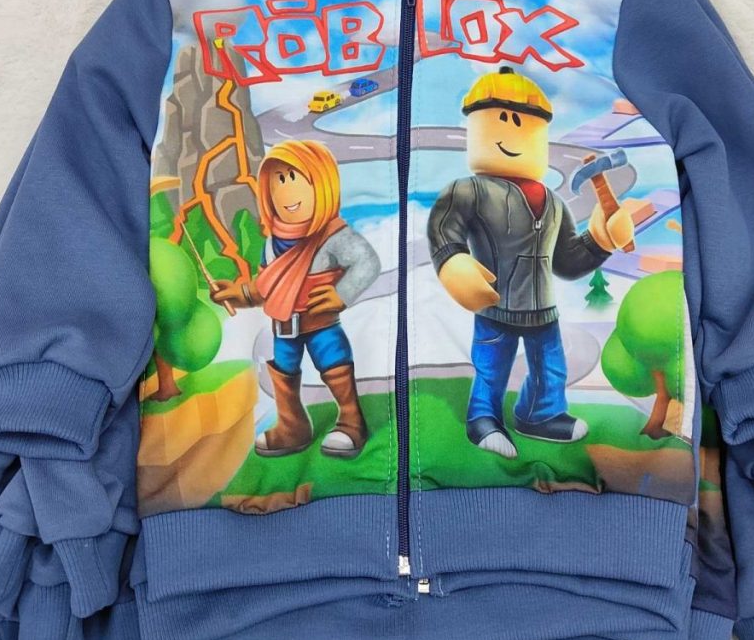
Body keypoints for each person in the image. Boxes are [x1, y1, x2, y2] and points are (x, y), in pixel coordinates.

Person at [427, 67, 634, 459]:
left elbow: (568, 261)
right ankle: (483, 418)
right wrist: (453, 262)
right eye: (502, 118)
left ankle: (541, 414)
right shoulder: (469, 191)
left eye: (523, 122)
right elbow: (445, 227)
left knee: (551, 369)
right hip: (494, 305)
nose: (512, 131)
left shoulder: (554, 203)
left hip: (543, 310)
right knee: (491, 367)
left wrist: (601, 240)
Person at [212, 139, 380, 458]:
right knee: (283, 370)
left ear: (322, 184)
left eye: (293, 178)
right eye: (278, 180)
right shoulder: (272, 242)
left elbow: (367, 262)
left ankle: (351, 423)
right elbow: (267, 285)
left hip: (320, 322)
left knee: (334, 363)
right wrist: (238, 293)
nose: (286, 191)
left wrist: (341, 293)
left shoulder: (333, 236)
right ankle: (293, 428)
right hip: (283, 324)